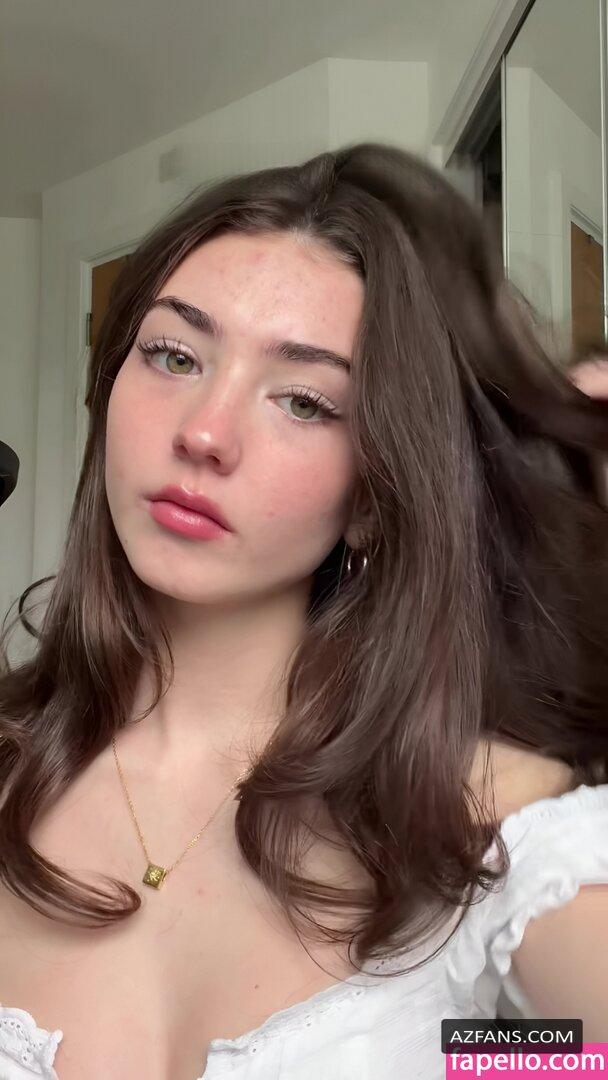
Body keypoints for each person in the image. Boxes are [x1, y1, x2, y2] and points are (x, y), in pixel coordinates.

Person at [0, 142, 607, 1079]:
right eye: (173, 355)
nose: (205, 432)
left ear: (373, 495)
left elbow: (568, 1052)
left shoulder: (488, 819)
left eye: (306, 402)